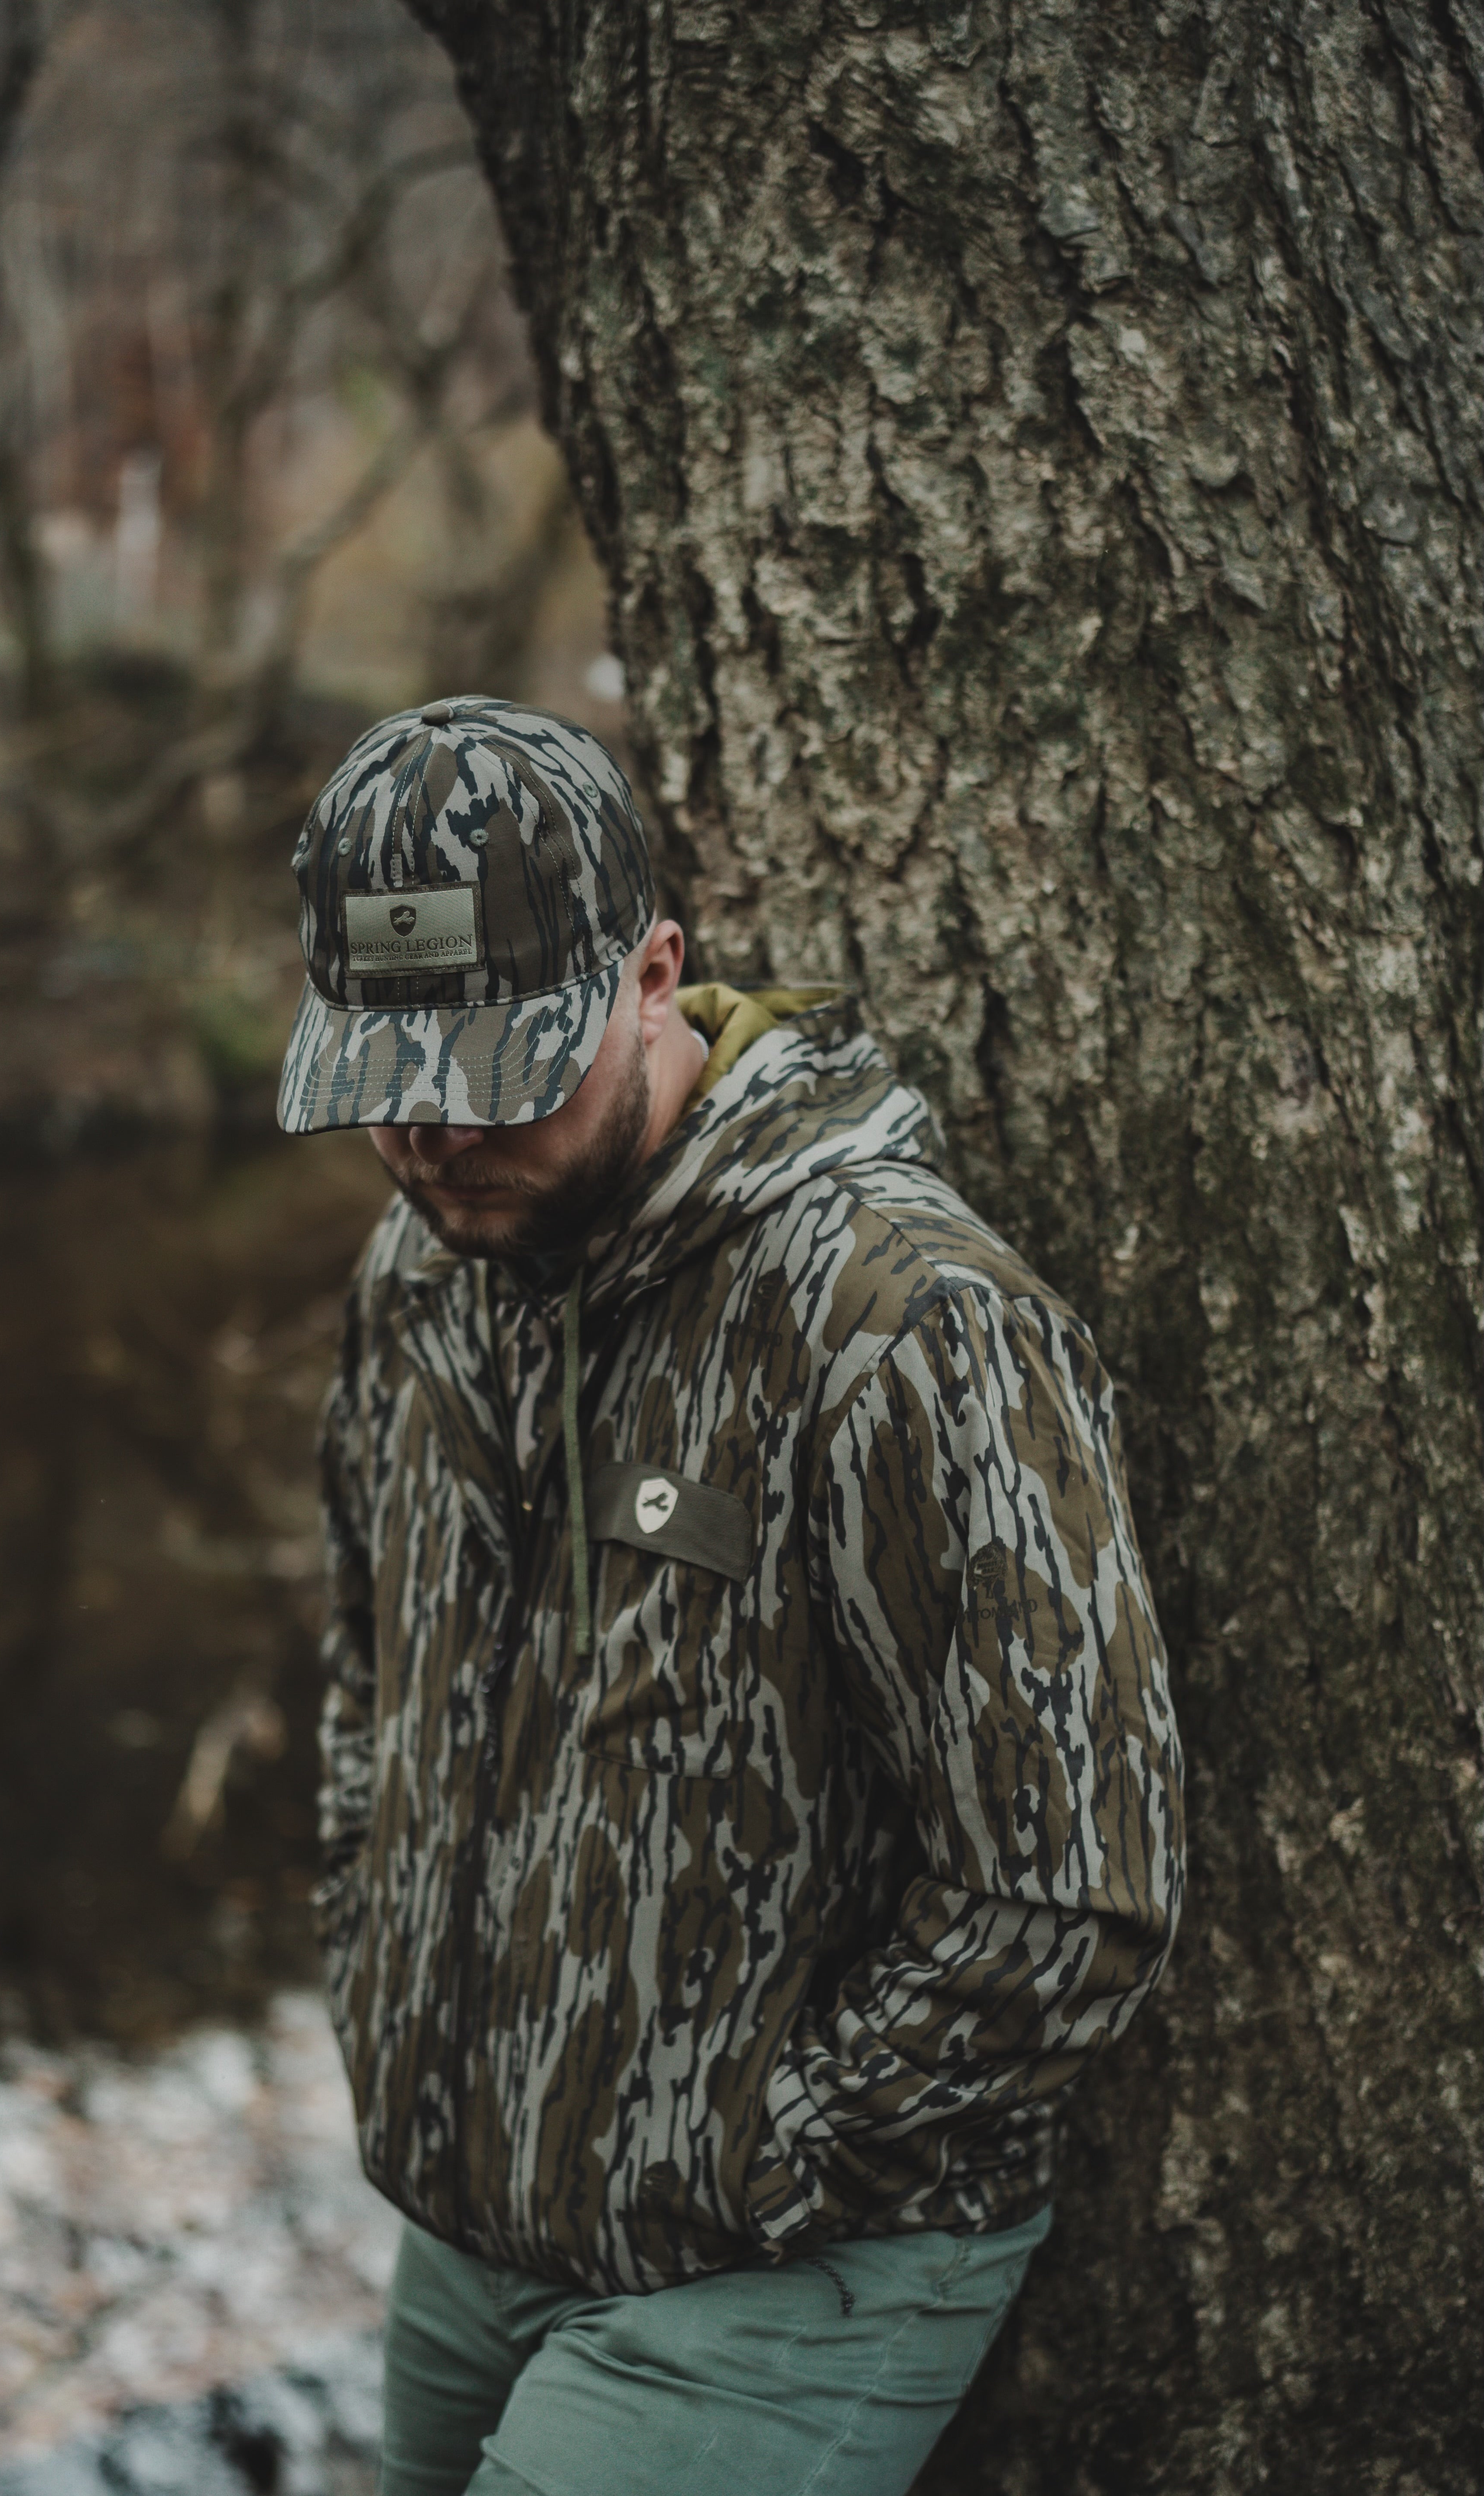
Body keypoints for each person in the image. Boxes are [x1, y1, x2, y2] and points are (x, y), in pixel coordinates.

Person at [278, 696, 1185, 2496]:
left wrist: (767, 2147)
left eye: (494, 1071)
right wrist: (371, 1948)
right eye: (386, 1082)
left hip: (776, 2261)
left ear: (653, 976)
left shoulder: (900, 1320)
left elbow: (1075, 1888)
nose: (433, 1136)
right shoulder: (423, 1267)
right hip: (465, 2209)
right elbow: (370, 1660)